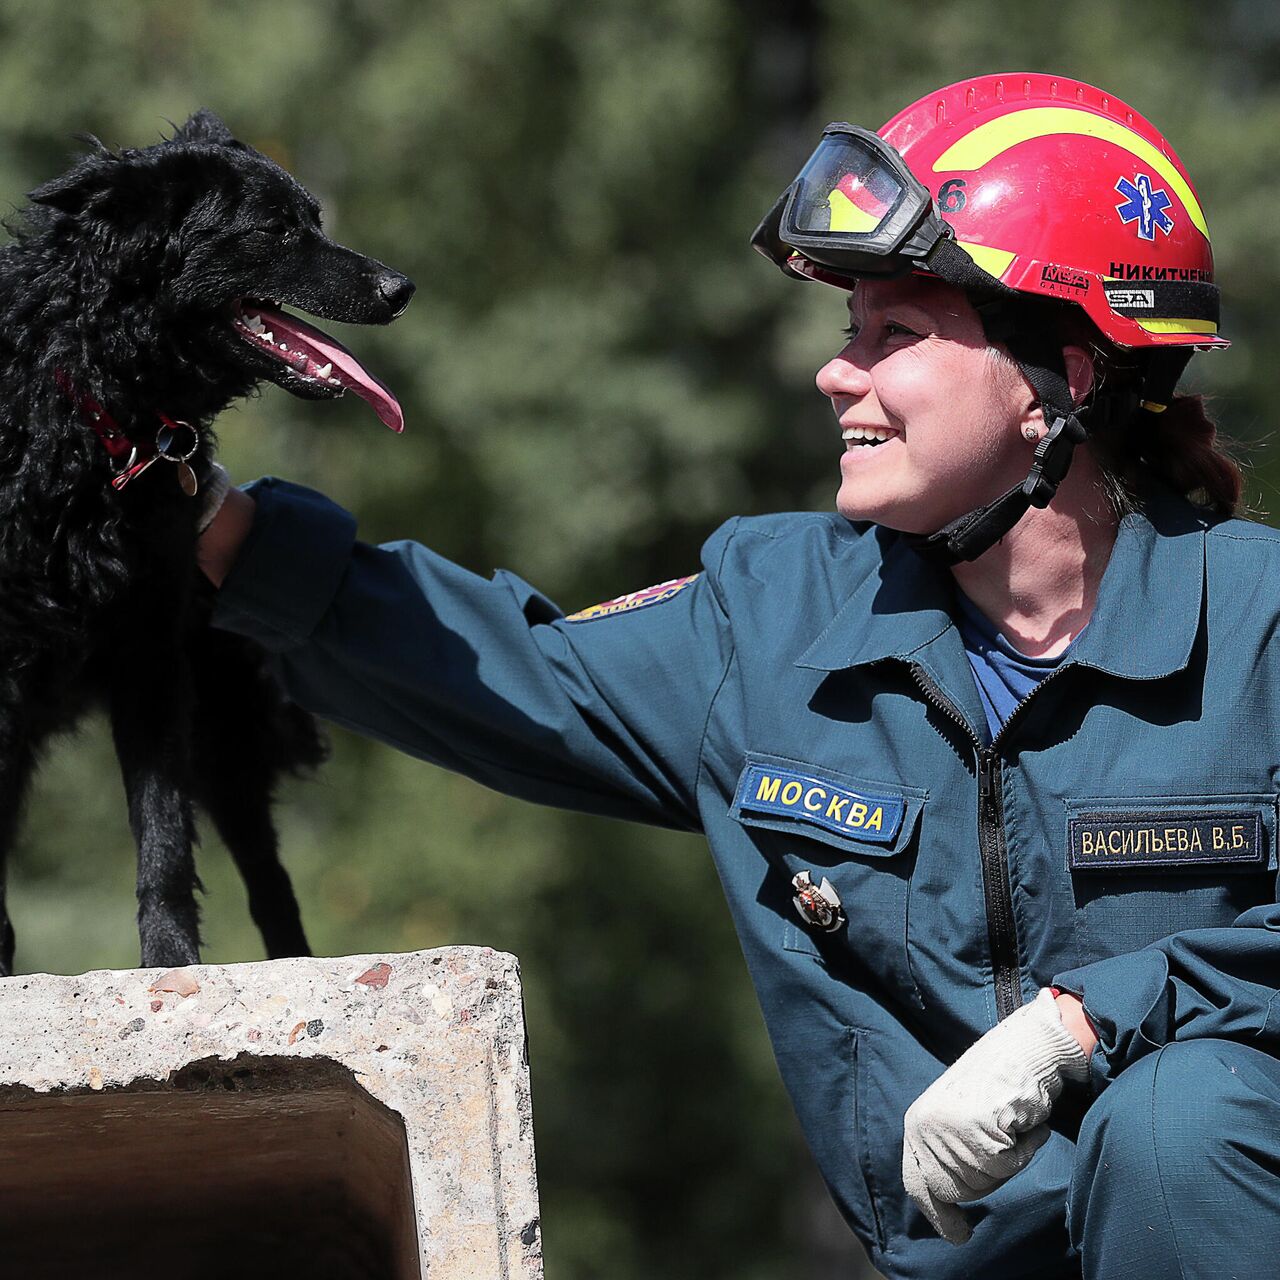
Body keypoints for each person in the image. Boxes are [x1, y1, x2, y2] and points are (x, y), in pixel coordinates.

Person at [199, 73, 1280, 1278]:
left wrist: (1086, 1018)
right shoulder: (769, 618)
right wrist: (195, 514)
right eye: (845, 332)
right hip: (956, 1261)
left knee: (1180, 1122)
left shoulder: (1260, 622)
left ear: (1063, 379)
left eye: (897, 336)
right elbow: (494, 671)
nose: (837, 373)